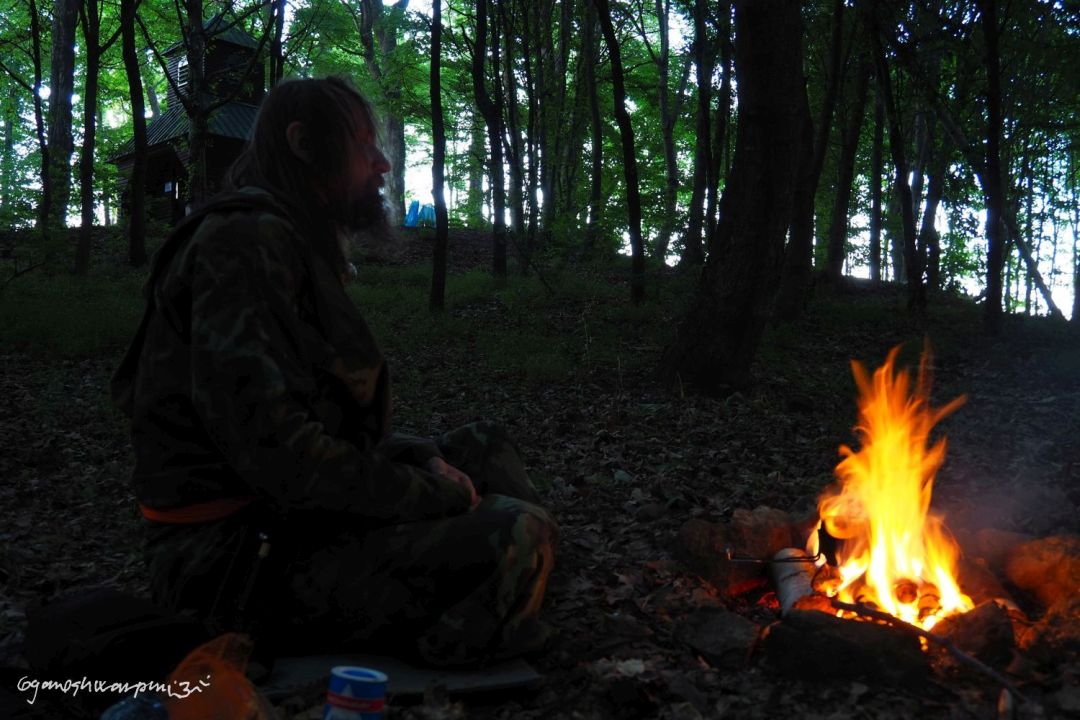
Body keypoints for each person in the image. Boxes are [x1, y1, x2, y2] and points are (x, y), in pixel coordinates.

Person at [110, 76, 557, 667]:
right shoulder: (242, 243)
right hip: (230, 562)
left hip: (280, 522)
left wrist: (418, 457)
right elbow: (278, 458)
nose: (381, 164)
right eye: (363, 144)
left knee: (486, 449)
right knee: (518, 536)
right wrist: (425, 493)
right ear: (303, 145)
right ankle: (436, 642)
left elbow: (311, 418)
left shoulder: (289, 242)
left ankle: (492, 598)